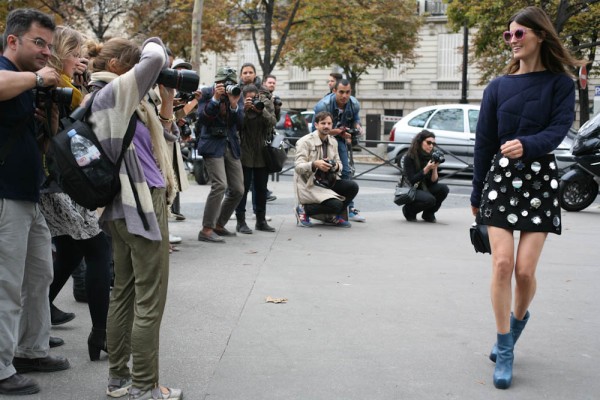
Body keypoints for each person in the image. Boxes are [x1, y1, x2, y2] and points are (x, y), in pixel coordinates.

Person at [470, 6, 582, 390]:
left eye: (520, 34)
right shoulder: (498, 87)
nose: (513, 40)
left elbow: (558, 129)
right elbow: (484, 143)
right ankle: (505, 347)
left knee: (525, 272)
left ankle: (517, 322)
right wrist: (476, 190)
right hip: (500, 181)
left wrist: (528, 145)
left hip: (539, 182)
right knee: (502, 264)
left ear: (540, 36)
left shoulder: (560, 83)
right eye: (509, 35)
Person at [85, 37, 182, 399]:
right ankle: (145, 386)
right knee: (149, 299)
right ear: (116, 67)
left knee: (124, 293)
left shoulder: (100, 96)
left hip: (119, 206)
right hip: (141, 203)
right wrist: (150, 47)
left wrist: (168, 99)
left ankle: (119, 380)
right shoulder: (116, 93)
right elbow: (157, 53)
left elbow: (165, 136)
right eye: (133, 66)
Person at [0, 8, 70, 396]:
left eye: (49, 45)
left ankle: (29, 350)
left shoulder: (26, 86)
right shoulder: (12, 73)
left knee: (40, 275)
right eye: (38, 43)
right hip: (5, 194)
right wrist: (35, 79)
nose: (46, 52)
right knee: (6, 284)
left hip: (29, 194)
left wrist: (48, 121)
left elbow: (38, 143)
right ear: (13, 41)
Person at [37, 25, 113, 362]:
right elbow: (80, 118)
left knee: (69, 253)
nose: (80, 60)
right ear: (61, 53)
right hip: (56, 183)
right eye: (75, 53)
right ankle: (100, 333)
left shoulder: (68, 83)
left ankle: (38, 317)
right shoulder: (52, 82)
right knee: (98, 249)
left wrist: (80, 80)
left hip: (57, 180)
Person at [196, 66, 244, 243]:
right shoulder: (207, 93)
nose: (226, 86)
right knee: (220, 185)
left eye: (230, 83)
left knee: (238, 189)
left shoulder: (237, 95)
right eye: (222, 82)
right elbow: (203, 118)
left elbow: (240, 123)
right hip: (212, 144)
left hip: (230, 145)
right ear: (216, 82)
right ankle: (206, 229)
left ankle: (219, 224)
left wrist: (233, 105)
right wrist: (216, 99)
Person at [293, 111, 358, 228]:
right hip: (310, 184)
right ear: (316, 125)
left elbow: (339, 164)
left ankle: (333, 216)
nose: (326, 126)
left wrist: (335, 166)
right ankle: (304, 209)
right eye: (323, 123)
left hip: (327, 181)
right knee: (337, 204)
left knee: (353, 186)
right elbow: (298, 167)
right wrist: (314, 164)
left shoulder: (333, 141)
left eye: (329, 123)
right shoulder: (304, 142)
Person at [313, 78, 366, 223]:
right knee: (317, 174)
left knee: (345, 172)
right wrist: (337, 131)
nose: (344, 96)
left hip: (339, 141)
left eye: (348, 92)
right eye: (341, 92)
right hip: (321, 141)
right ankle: (312, 207)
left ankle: (348, 209)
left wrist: (357, 126)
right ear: (334, 90)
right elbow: (315, 130)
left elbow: (355, 119)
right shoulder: (323, 105)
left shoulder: (354, 103)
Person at [235, 84, 277, 233]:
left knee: (261, 188)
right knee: (243, 189)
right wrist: (245, 110)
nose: (253, 101)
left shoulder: (264, 104)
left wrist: (261, 111)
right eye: (249, 99)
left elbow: (272, 122)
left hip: (261, 152)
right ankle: (240, 222)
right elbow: (237, 126)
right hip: (245, 152)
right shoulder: (238, 105)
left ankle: (261, 220)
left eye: (255, 98)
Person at [401, 130, 449, 223]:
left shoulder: (432, 156)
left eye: (433, 143)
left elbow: (434, 182)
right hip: (412, 189)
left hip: (425, 188)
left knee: (444, 189)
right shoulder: (410, 157)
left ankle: (428, 214)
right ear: (420, 142)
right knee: (430, 199)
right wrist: (426, 168)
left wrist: (434, 168)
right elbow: (412, 180)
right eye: (428, 142)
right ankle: (408, 211)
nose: (431, 146)